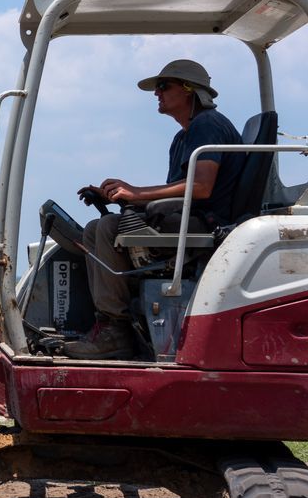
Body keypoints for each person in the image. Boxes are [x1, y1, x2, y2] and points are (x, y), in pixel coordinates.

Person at [62, 59, 243, 359]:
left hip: (208, 222)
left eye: (163, 86)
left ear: (189, 90)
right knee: (96, 228)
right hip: (188, 216)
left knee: (107, 228)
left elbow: (201, 188)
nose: (156, 93)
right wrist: (122, 197)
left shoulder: (207, 126)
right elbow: (179, 191)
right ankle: (108, 324)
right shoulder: (184, 136)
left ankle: (115, 332)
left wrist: (136, 193)